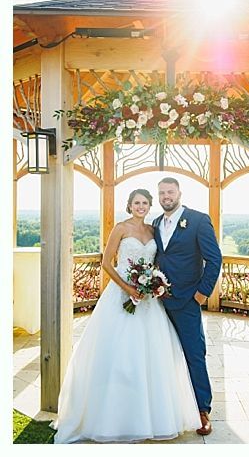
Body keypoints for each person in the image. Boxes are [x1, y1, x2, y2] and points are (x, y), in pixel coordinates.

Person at [54, 189, 201, 443]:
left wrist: (152, 285)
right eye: (137, 203)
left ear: (149, 205)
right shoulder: (121, 228)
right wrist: (129, 288)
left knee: (152, 356)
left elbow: (157, 263)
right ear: (129, 205)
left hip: (147, 302)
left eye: (145, 203)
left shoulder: (153, 231)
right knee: (118, 354)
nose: (141, 206)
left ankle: (151, 417)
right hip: (120, 296)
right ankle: (111, 416)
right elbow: (107, 263)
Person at [151, 177, 221, 436]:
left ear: (179, 193)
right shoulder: (156, 223)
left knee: (194, 354)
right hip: (157, 303)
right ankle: (168, 407)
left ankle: (203, 410)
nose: (166, 196)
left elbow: (214, 259)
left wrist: (202, 294)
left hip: (187, 301)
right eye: (161, 192)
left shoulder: (198, 220)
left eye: (170, 191)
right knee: (162, 356)